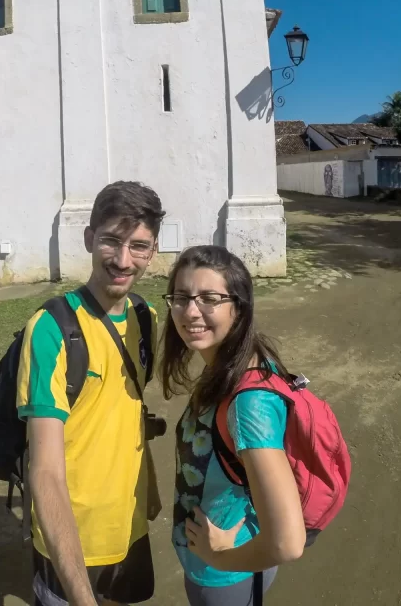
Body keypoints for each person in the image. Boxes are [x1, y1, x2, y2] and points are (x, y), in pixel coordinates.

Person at [17, 181, 165, 606]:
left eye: (138, 246)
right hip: (72, 538)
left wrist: (149, 491)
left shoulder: (146, 317)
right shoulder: (51, 329)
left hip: (130, 525)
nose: (123, 260)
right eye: (111, 241)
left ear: (152, 250)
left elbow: (129, 410)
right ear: (88, 239)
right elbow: (44, 470)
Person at [160, 245, 306, 606]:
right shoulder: (230, 366)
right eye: (181, 297)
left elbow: (288, 543)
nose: (191, 311)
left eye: (209, 298)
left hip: (227, 576)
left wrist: (219, 557)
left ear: (238, 309)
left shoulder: (249, 403)